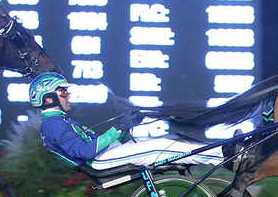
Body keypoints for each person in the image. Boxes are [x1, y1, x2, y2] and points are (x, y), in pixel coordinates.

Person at [29, 72, 232, 171]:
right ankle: (223, 155)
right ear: (48, 99)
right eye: (63, 92)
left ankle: (219, 151)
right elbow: (85, 152)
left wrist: (127, 126)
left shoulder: (58, 122)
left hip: (106, 154)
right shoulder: (52, 125)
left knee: (168, 138)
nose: (68, 95)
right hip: (99, 161)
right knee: (160, 146)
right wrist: (118, 128)